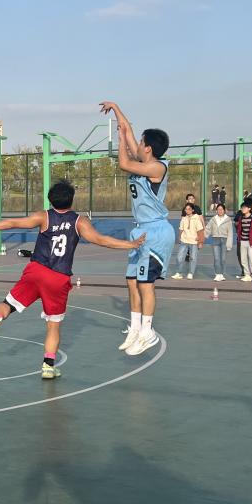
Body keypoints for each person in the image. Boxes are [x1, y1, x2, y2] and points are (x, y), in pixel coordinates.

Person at [0, 181, 144, 379]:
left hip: (36, 270)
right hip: (58, 278)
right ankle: (48, 367)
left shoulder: (44, 216)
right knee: (53, 325)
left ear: (50, 200)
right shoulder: (80, 221)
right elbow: (101, 240)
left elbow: (12, 223)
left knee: (8, 303)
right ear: (72, 199)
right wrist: (130, 244)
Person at [98, 100, 171, 356]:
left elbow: (124, 163)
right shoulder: (144, 161)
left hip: (155, 231)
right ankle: (136, 327)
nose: (136, 144)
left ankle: (147, 332)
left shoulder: (157, 167)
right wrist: (116, 108)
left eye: (140, 142)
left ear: (148, 148)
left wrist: (120, 142)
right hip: (139, 230)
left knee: (145, 284)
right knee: (132, 281)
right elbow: (127, 130)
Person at [171, 203, 204, 279]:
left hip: (194, 242)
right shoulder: (184, 219)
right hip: (184, 241)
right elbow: (181, 229)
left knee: (193, 258)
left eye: (189, 209)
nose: (187, 210)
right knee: (179, 257)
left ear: (192, 210)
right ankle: (179, 273)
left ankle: (191, 273)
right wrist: (179, 237)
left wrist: (200, 242)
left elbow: (200, 231)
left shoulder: (196, 218)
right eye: (186, 209)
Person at [206, 203, 233, 281]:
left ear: (224, 210)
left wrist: (229, 245)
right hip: (215, 240)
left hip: (224, 240)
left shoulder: (228, 220)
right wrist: (202, 237)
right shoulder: (213, 219)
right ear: (216, 210)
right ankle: (217, 273)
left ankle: (222, 273)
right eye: (218, 209)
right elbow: (208, 229)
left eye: (221, 209)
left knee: (223, 259)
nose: (220, 211)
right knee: (217, 258)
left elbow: (230, 233)